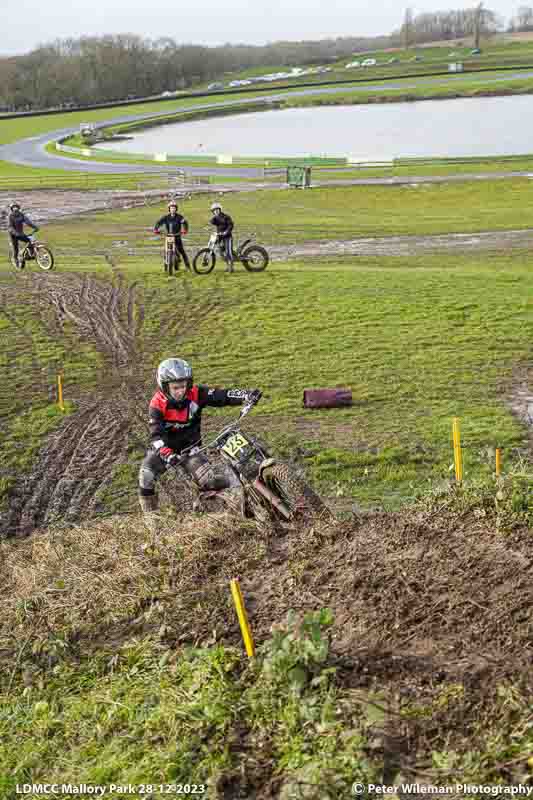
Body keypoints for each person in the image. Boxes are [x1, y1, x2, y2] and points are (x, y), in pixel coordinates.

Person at [138, 357, 262, 514]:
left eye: (183, 386)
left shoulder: (196, 394)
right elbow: (155, 437)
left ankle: (240, 506)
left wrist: (246, 395)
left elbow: (222, 395)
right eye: (175, 388)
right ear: (164, 387)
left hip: (191, 450)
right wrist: (168, 455)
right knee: (146, 476)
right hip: (165, 451)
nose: (180, 391)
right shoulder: (157, 404)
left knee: (211, 480)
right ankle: (152, 521)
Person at [154, 201, 191, 271]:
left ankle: (188, 266)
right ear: (169, 209)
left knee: (182, 251)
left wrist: (185, 230)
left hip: (177, 236)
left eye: (174, 208)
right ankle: (166, 265)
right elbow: (158, 222)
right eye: (171, 208)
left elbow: (185, 222)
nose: (172, 209)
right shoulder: (166, 217)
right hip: (168, 237)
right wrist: (156, 229)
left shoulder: (179, 217)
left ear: (176, 209)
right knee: (165, 250)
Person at [7, 201, 39, 268]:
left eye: (16, 207)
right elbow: (10, 227)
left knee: (30, 241)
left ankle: (29, 255)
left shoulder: (21, 214)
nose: (15, 208)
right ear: (11, 209)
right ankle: (15, 260)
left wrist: (35, 227)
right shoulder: (10, 216)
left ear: (18, 208)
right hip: (13, 235)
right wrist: (15, 233)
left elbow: (28, 222)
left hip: (20, 233)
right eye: (13, 207)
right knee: (15, 249)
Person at [210, 202, 235, 273]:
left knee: (228, 251)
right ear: (213, 212)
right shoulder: (215, 218)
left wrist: (226, 232)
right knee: (220, 250)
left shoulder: (226, 217)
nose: (216, 211)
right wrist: (206, 226)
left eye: (217, 209)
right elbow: (211, 222)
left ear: (220, 209)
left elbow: (231, 225)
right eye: (214, 210)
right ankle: (227, 265)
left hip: (227, 236)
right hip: (220, 236)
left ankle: (231, 267)